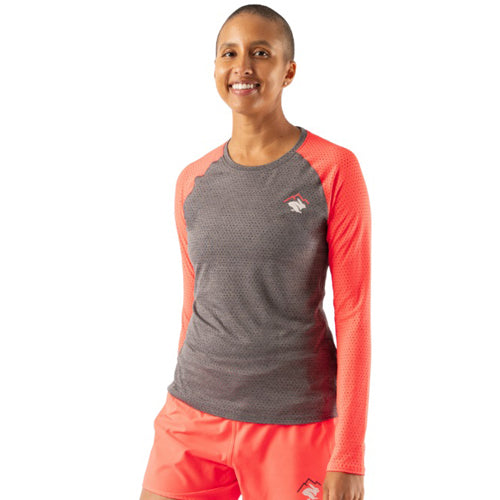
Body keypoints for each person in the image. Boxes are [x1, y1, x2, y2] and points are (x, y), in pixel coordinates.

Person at [139, 4, 371, 500]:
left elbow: (353, 312)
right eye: (230, 53)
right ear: (215, 68)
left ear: (288, 71)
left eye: (261, 53)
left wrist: (349, 453)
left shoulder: (333, 168)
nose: (242, 66)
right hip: (191, 414)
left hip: (293, 421)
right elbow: (193, 303)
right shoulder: (192, 181)